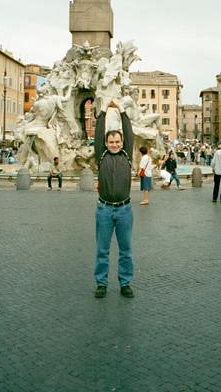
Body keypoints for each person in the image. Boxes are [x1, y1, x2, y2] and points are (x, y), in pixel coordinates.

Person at [94, 98, 134, 299]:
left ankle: (125, 283)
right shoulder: (101, 155)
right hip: (105, 209)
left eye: (118, 141)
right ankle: (101, 284)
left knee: (126, 250)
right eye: (111, 142)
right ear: (106, 143)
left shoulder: (128, 154)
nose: (115, 144)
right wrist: (102, 112)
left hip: (125, 209)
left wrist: (122, 111)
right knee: (102, 250)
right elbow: (98, 132)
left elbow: (129, 132)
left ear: (122, 142)